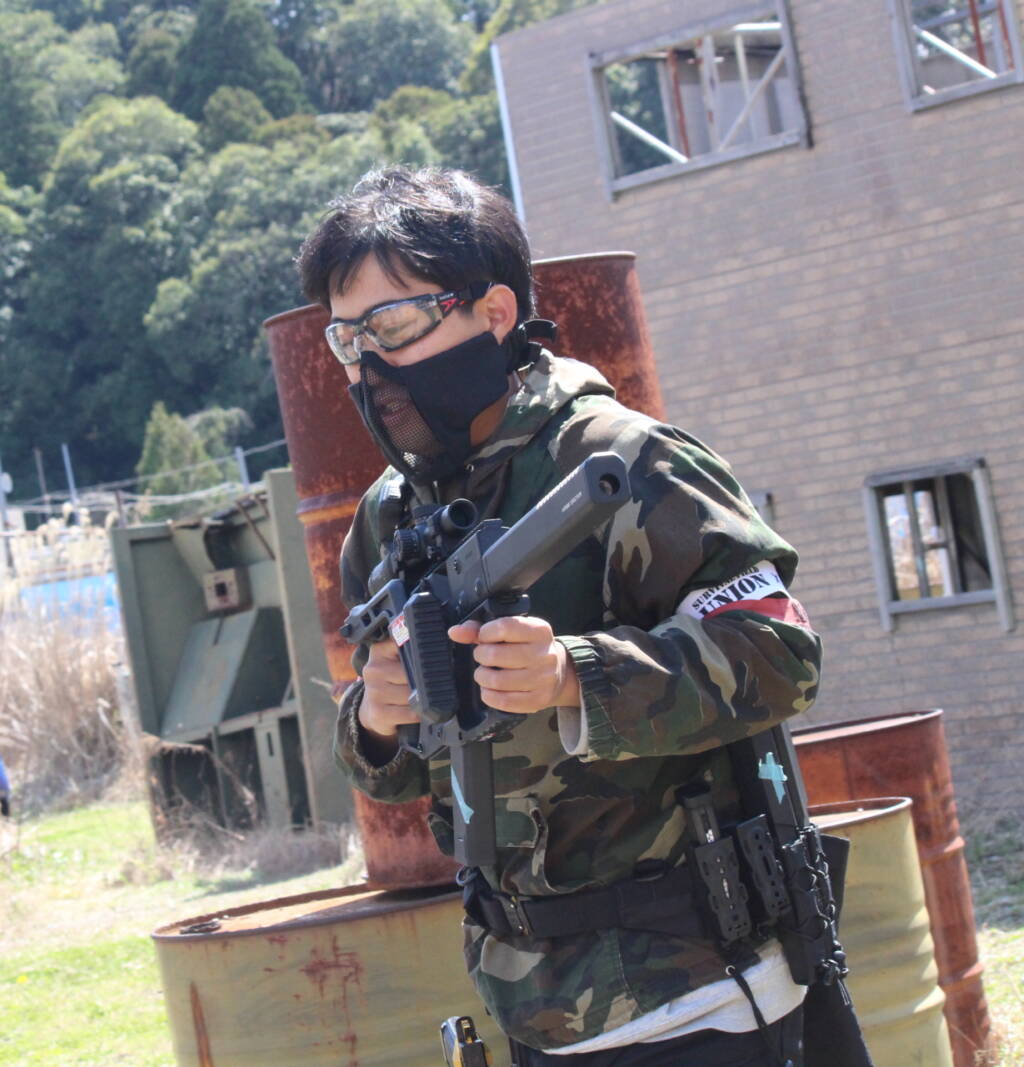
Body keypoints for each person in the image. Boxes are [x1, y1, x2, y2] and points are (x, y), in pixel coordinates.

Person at [297, 165, 832, 1066]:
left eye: (392, 325)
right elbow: (403, 776)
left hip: (698, 989)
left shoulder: (625, 460)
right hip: (533, 1004)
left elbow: (782, 650)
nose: (369, 366)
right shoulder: (390, 517)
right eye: (346, 339)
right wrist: (379, 721)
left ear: (494, 313)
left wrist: (574, 676)